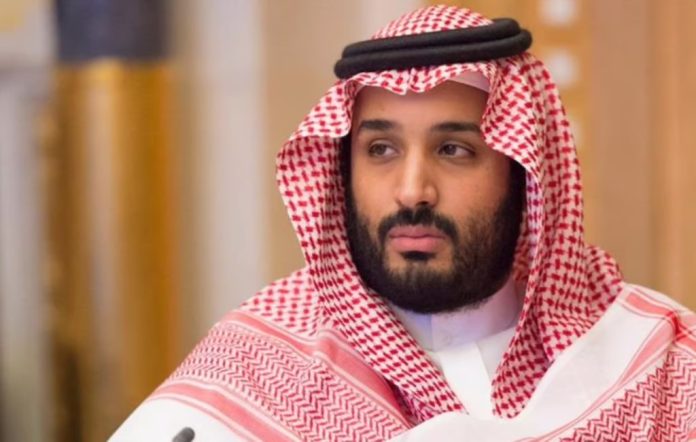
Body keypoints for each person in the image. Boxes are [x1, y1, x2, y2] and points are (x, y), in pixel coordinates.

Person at [112, 5, 696, 441]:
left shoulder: (657, 364)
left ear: (523, 177)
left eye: (453, 150)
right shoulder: (254, 372)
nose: (413, 190)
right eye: (381, 150)